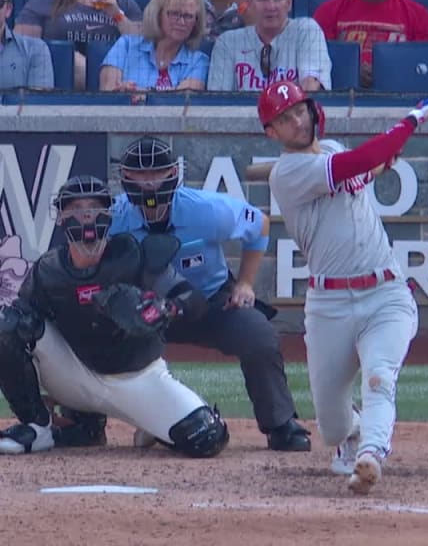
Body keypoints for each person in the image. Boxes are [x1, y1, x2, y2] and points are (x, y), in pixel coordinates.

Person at [258, 79, 428, 493]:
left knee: (380, 375)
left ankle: (372, 453)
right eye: (284, 119)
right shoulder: (287, 172)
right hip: (329, 303)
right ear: (271, 133)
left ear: (311, 111)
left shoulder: (333, 150)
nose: (296, 121)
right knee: (330, 418)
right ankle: (352, 437)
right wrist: (411, 120)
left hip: (386, 292)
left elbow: (367, 165)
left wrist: (384, 158)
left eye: (299, 111)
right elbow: (363, 160)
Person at [0, 175, 230, 459]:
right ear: (61, 217)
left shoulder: (134, 255)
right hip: (74, 374)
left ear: (108, 214)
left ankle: (147, 421)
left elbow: (193, 300)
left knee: (207, 437)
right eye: (75, 208)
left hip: (138, 377)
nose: (86, 215)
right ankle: (38, 427)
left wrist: (165, 308)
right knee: (7, 323)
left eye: (94, 207)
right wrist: (41, 402)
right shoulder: (48, 270)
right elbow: (19, 330)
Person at [108, 136, 312, 452]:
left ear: (173, 172)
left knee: (258, 335)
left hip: (210, 301)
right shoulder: (113, 218)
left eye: (157, 173)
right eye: (140, 175)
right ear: (125, 177)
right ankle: (85, 424)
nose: (149, 184)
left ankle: (281, 424)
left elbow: (260, 225)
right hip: (144, 310)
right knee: (91, 331)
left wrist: (244, 283)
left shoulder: (205, 210)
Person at [14, 0, 143, 89]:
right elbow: (21, 49)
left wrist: (117, 15)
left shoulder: (124, 2)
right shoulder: (43, 0)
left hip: (115, 82)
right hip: (60, 84)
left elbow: (142, 48)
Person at [206, 0, 332, 91]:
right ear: (250, 4)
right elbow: (218, 102)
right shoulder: (227, 42)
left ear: (289, 3)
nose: (271, 7)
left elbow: (312, 89)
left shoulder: (307, 31)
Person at [313, 0, 428, 89]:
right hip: (342, 101)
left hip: (399, 102)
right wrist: (350, 70)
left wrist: (386, 73)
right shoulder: (327, 13)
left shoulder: (420, 16)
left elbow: (420, 71)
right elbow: (317, 68)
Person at [99, 0, 209, 91]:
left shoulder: (198, 61)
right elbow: (107, 94)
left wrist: (141, 94)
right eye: (174, 13)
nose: (181, 22)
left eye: (188, 16)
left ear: (196, 22)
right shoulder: (126, 46)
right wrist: (121, 92)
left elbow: (183, 100)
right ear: (157, 14)